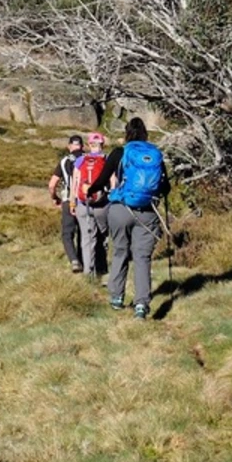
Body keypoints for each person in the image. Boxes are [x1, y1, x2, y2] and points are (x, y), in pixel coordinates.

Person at [85, 117, 168, 319]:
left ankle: (117, 297)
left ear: (126, 133)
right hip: (148, 211)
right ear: (145, 134)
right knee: (142, 257)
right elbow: (166, 186)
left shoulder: (120, 153)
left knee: (120, 251)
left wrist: (92, 190)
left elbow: (103, 179)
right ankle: (141, 304)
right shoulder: (154, 154)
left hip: (121, 209)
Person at [70, 132, 110, 280]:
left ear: (88, 145)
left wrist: (72, 201)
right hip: (102, 205)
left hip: (82, 203)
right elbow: (113, 182)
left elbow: (75, 182)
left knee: (87, 239)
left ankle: (88, 273)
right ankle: (103, 268)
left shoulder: (80, 160)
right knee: (104, 235)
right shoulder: (106, 160)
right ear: (102, 145)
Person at [47, 134, 85, 272]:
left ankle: (74, 261)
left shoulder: (64, 161)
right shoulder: (87, 159)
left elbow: (52, 185)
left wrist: (54, 197)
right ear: (82, 146)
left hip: (68, 199)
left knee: (67, 233)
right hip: (86, 200)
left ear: (69, 146)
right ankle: (86, 261)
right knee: (84, 232)